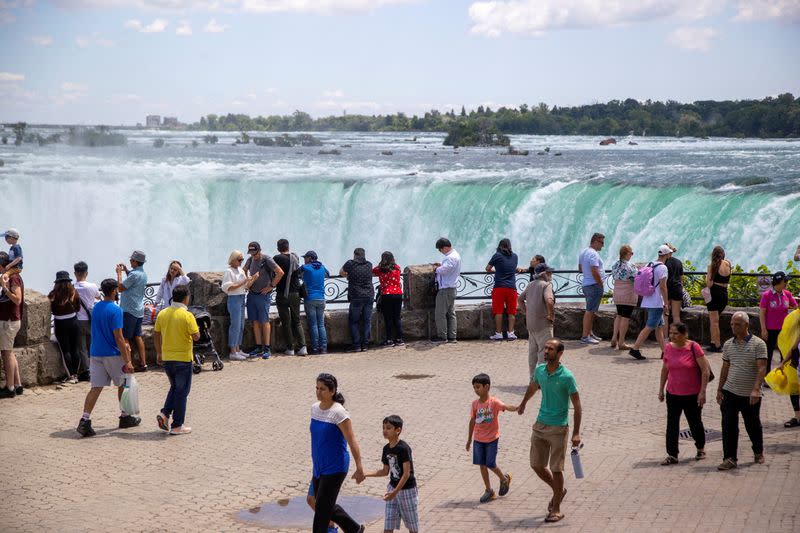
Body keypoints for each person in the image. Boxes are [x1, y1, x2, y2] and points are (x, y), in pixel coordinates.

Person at [517, 339, 582, 524]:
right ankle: (558, 491)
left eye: (550, 349)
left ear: (560, 353)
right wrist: (523, 403)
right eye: (545, 348)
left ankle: (556, 509)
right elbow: (533, 387)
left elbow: (577, 406)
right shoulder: (540, 370)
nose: (545, 351)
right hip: (540, 425)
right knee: (536, 465)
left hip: (559, 428)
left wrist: (576, 432)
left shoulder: (567, 377)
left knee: (556, 468)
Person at [76, 278, 140, 437]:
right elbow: (119, 337)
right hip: (112, 354)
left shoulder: (96, 307)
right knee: (123, 384)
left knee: (95, 387)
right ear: (113, 291)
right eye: (116, 290)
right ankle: (125, 417)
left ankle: (84, 420)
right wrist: (128, 361)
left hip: (96, 352)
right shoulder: (116, 310)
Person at [309, 373, 366, 533]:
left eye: (323, 389)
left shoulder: (339, 413)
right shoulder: (314, 408)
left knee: (321, 512)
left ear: (332, 391)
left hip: (335, 467)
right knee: (324, 504)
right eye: (317, 388)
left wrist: (359, 467)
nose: (318, 392)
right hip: (319, 466)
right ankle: (354, 529)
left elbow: (352, 440)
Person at [716, 311, 767, 470]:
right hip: (730, 391)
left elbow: (761, 368)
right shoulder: (728, 344)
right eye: (732, 324)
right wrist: (720, 389)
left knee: (752, 425)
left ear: (746, 325)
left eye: (737, 324)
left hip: (749, 394)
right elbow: (725, 368)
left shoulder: (758, 344)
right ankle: (730, 458)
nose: (733, 327)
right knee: (728, 425)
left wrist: (756, 389)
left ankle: (758, 451)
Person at [658, 323, 711, 465]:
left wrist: (702, 392)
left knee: (695, 423)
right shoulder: (668, 348)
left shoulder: (694, 347)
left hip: (692, 394)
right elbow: (665, 369)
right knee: (672, 425)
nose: (672, 336)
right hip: (673, 393)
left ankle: (700, 448)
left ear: (684, 334)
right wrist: (661, 389)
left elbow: (705, 371)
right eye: (671, 332)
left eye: (675, 333)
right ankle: (672, 454)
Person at [155, 285, 200, 436]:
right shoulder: (187, 316)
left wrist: (159, 353)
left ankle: (165, 413)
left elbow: (156, 334)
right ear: (186, 298)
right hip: (183, 359)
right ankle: (177, 425)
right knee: (182, 392)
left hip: (167, 358)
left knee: (175, 388)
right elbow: (196, 336)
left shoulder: (162, 314)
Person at [466, 373, 517, 504]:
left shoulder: (494, 402)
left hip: (492, 439)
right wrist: (469, 439)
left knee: (490, 463)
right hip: (478, 439)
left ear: (486, 387)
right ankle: (489, 490)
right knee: (482, 465)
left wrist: (518, 407)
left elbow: (505, 407)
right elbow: (472, 421)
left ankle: (503, 478)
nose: (476, 390)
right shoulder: (475, 404)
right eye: (474, 387)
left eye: (478, 387)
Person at [364, 415, 419, 533]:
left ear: (398, 430)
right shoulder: (386, 449)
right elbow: (384, 471)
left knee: (412, 527)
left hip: (407, 491)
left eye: (388, 428)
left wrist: (395, 492)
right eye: (383, 428)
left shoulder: (404, 448)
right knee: (388, 526)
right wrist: (365, 474)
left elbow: (406, 474)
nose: (385, 431)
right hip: (392, 489)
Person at [628, 246, 671, 361]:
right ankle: (635, 349)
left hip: (647, 299)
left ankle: (664, 352)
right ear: (667, 255)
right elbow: (663, 286)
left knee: (659, 327)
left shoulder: (650, 264)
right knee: (649, 327)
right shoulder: (663, 268)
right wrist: (666, 303)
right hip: (656, 302)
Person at [244, 241, 283, 359]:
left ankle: (267, 348)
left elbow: (280, 272)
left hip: (263, 295)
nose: (253, 255)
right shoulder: (250, 260)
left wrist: (271, 286)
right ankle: (258, 346)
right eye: (251, 253)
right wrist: (248, 280)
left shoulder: (267, 259)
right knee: (255, 321)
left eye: (254, 253)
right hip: (252, 294)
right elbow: (243, 270)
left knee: (264, 321)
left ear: (259, 251)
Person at [518, 263, 555, 376]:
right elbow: (549, 300)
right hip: (543, 323)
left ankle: (532, 378)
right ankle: (542, 379)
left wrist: (526, 312)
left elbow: (520, 299)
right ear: (544, 274)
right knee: (544, 352)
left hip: (531, 323)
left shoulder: (531, 284)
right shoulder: (546, 285)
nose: (551, 274)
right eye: (549, 272)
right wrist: (550, 315)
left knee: (532, 352)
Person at [273, 239, 307, 356]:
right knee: (296, 321)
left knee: (286, 321)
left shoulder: (277, 258)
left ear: (278, 248)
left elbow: (273, 273)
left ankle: (290, 348)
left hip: (282, 293)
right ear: (288, 247)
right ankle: (303, 347)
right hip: (295, 292)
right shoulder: (295, 257)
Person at [116, 250, 148, 371]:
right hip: (139, 310)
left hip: (128, 310)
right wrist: (126, 270)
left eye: (131, 260)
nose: (130, 261)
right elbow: (133, 279)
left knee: (125, 338)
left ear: (135, 261)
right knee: (138, 336)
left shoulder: (134, 275)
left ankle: (129, 365)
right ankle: (143, 363)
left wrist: (119, 273)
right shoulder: (142, 274)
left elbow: (120, 288)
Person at [759, 271, 797, 373]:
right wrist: (763, 329)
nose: (786, 283)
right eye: (785, 281)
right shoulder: (766, 295)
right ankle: (766, 376)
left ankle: (782, 375)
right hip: (770, 329)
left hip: (784, 329)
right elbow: (762, 313)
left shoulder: (787, 294)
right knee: (768, 353)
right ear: (779, 282)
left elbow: (796, 307)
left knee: (784, 353)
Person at [48, 271, 82, 384]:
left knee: (65, 350)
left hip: (60, 323)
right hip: (73, 321)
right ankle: (76, 374)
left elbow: (50, 309)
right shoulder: (74, 293)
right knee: (75, 349)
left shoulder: (53, 295)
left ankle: (71, 376)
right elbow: (78, 308)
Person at [222, 250, 254, 361]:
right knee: (235, 325)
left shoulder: (240, 270)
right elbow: (228, 288)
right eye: (239, 260)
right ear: (233, 259)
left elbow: (245, 286)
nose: (241, 262)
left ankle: (238, 348)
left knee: (241, 325)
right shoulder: (228, 271)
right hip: (234, 298)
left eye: (242, 260)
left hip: (241, 297)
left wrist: (252, 280)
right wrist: (243, 281)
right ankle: (232, 351)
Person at [340, 248, 374, 353]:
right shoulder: (369, 264)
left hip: (356, 296)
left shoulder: (350, 264)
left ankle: (356, 345)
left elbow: (341, 272)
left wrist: (349, 276)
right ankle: (365, 345)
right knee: (367, 320)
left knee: (354, 321)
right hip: (369, 295)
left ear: (354, 255)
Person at [486, 238, 519, 341]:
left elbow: (487, 268)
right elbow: (512, 268)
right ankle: (511, 333)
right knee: (511, 312)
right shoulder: (515, 256)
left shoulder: (497, 256)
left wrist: (496, 270)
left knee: (498, 312)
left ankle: (498, 334)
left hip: (499, 287)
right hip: (512, 288)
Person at [0, 252, 23, 398]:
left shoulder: (13, 278)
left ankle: (9, 388)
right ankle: (18, 384)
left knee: (6, 354)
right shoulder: (11, 276)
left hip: (9, 321)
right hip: (10, 320)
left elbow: (17, 299)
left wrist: (5, 288)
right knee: (9, 352)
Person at [74, 261, 100, 380]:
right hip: (91, 319)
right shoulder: (93, 286)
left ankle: (86, 370)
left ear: (75, 273)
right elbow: (98, 297)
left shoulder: (72, 287)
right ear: (87, 273)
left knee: (82, 348)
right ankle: (95, 368)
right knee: (92, 345)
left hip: (78, 320)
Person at [433, 238, 462, 343]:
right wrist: (441, 265)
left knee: (440, 313)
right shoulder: (456, 255)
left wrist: (436, 269)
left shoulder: (450, 258)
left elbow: (445, 270)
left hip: (445, 289)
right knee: (451, 313)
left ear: (445, 247)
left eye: (440, 249)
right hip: (452, 288)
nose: (440, 252)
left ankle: (442, 336)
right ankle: (452, 336)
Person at [301, 251, 330, 355]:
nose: (304, 259)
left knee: (313, 325)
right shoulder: (322, 267)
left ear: (310, 258)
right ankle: (324, 348)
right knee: (321, 324)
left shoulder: (306, 267)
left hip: (310, 299)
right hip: (321, 299)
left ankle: (315, 348)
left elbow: (298, 272)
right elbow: (328, 274)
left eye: (305, 257)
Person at [578, 233, 605, 344]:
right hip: (594, 285)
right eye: (601, 243)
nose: (603, 246)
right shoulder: (593, 254)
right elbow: (594, 270)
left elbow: (580, 269)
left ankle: (589, 333)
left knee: (591, 310)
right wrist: (600, 284)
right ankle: (585, 337)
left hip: (586, 284)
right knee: (590, 311)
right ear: (595, 241)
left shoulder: (583, 252)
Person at [373, 251, 404, 346]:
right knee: (397, 317)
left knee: (388, 318)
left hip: (387, 295)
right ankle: (399, 339)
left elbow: (373, 271)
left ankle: (389, 340)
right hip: (398, 294)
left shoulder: (380, 269)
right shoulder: (397, 268)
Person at [610, 245, 637, 351]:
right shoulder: (630, 266)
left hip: (617, 293)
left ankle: (613, 338)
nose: (631, 255)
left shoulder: (615, 264)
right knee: (625, 317)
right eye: (631, 253)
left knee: (619, 315)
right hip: (628, 294)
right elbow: (636, 278)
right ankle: (621, 342)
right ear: (627, 254)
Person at [706, 246, 732, 353]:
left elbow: (709, 284)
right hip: (724, 294)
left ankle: (717, 345)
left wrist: (706, 277)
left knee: (714, 322)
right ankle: (713, 342)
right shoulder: (728, 264)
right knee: (715, 321)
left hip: (714, 294)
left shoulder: (712, 266)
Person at [663, 243, 684, 326]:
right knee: (676, 316)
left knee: (665, 315)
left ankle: (665, 338)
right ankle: (678, 337)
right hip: (677, 288)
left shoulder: (663, 263)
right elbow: (681, 279)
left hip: (666, 289)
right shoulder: (678, 262)